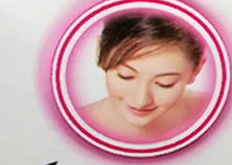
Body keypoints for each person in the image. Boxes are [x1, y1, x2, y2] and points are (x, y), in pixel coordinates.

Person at [81, 12, 210, 141]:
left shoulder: (215, 116)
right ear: (99, 51)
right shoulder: (75, 128)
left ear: (197, 69)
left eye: (165, 83)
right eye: (125, 76)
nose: (141, 101)